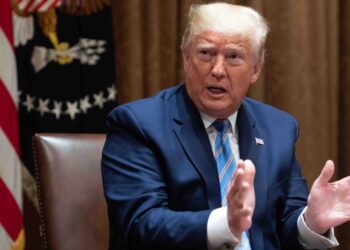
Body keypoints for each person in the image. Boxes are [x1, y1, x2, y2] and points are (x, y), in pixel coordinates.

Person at [101, 3, 350, 249]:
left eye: (233, 56)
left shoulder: (279, 128)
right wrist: (225, 223)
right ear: (186, 60)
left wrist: (310, 222)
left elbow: (284, 224)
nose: (218, 70)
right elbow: (139, 225)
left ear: (255, 69)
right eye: (206, 53)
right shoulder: (138, 124)